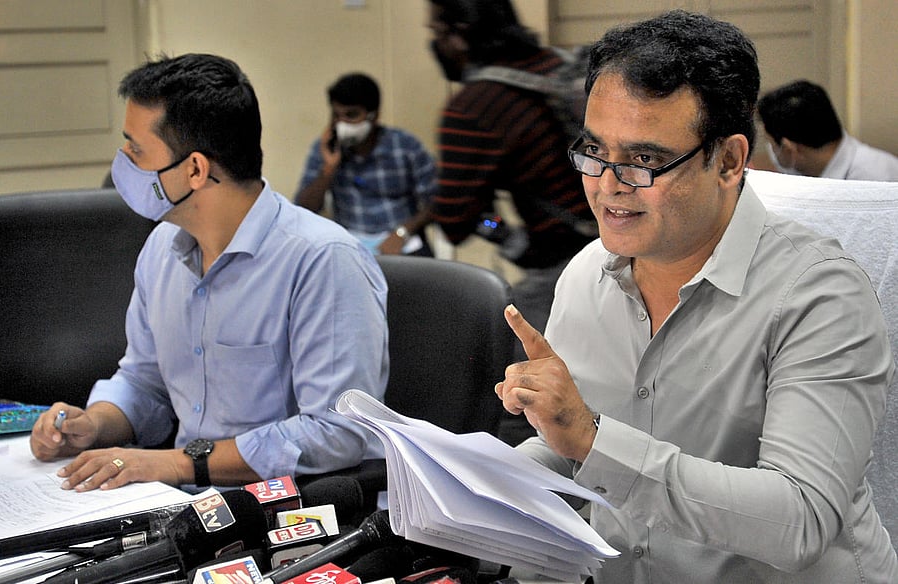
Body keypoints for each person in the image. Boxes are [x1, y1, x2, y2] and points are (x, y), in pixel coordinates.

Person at [496, 10, 897, 583]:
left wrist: (590, 439)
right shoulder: (587, 275)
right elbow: (573, 450)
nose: (607, 185)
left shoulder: (819, 295)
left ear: (729, 161)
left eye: (645, 160)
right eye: (594, 151)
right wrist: (481, 483)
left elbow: (801, 520)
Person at [29, 53, 389, 492]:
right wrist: (95, 424)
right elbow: (145, 381)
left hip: (289, 508)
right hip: (185, 499)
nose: (122, 161)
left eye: (136, 149)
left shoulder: (323, 260)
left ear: (195, 169)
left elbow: (336, 434)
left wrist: (176, 464)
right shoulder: (163, 247)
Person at [426, 0, 595, 444]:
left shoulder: (474, 106)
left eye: (437, 33)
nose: (436, 45)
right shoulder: (561, 67)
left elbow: (453, 218)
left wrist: (502, 232)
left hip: (564, 265)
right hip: (632, 249)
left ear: (460, 34)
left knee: (516, 399)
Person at [295, 72, 436, 256]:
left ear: (374, 116)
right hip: (351, 245)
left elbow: (437, 200)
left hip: (401, 241)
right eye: (336, 116)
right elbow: (305, 208)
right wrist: (328, 169)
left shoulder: (405, 146)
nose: (342, 123)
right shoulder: (326, 148)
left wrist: (403, 233)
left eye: (351, 115)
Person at [758, 79, 898, 181]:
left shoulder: (880, 178)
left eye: (771, 143)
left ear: (789, 149)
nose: (770, 150)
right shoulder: (802, 159)